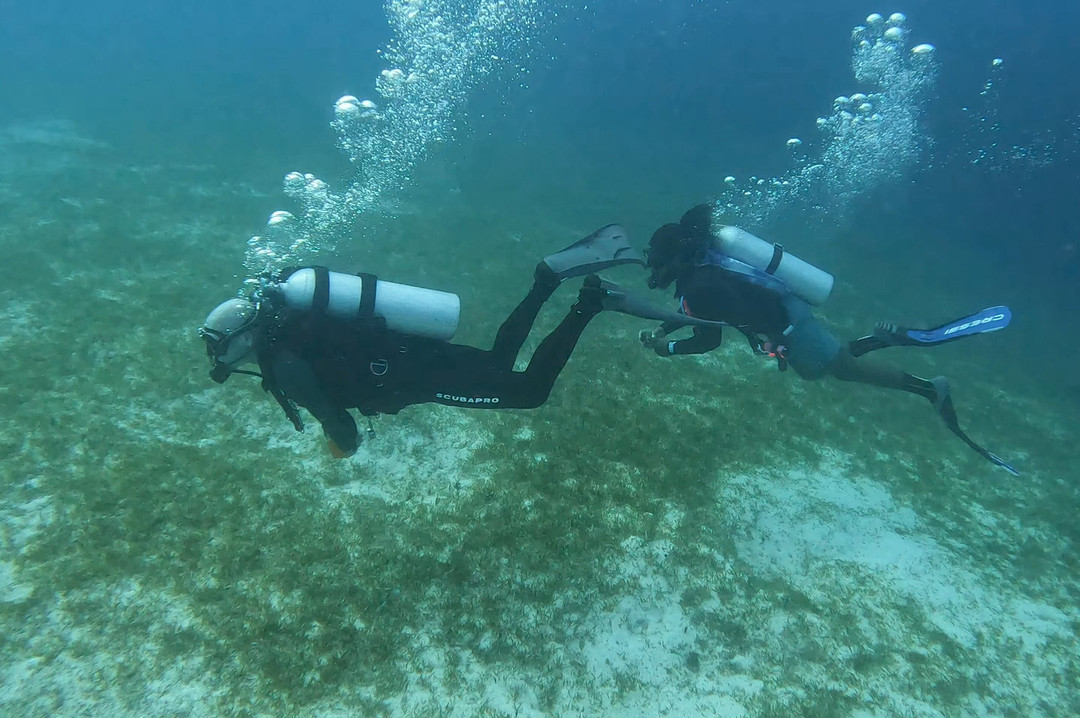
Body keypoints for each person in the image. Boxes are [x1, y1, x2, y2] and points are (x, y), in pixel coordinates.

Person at [630, 203, 1018, 474]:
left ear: (677, 259)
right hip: (788, 312)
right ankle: (889, 353)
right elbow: (703, 312)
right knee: (834, 365)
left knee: (838, 369)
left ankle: (924, 381)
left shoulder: (697, 288)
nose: (654, 270)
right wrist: (666, 327)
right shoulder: (701, 271)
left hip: (789, 324)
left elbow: (708, 338)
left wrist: (669, 348)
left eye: (658, 262)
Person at [199, 225, 643, 458]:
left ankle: (589, 303)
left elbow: (339, 424)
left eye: (221, 348)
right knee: (498, 358)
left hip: (414, 377)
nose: (222, 356)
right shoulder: (291, 319)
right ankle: (545, 282)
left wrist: (345, 448)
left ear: (243, 338)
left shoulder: (284, 367)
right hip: (406, 349)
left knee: (530, 393)